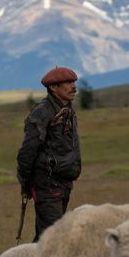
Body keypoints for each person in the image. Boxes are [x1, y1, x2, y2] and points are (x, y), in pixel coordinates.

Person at [16, 67, 81, 241]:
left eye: (74, 82)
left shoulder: (67, 110)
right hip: (47, 184)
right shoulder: (42, 112)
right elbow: (27, 152)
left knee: (50, 235)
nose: (73, 87)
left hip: (63, 183)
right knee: (51, 237)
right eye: (68, 83)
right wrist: (25, 184)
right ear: (53, 88)